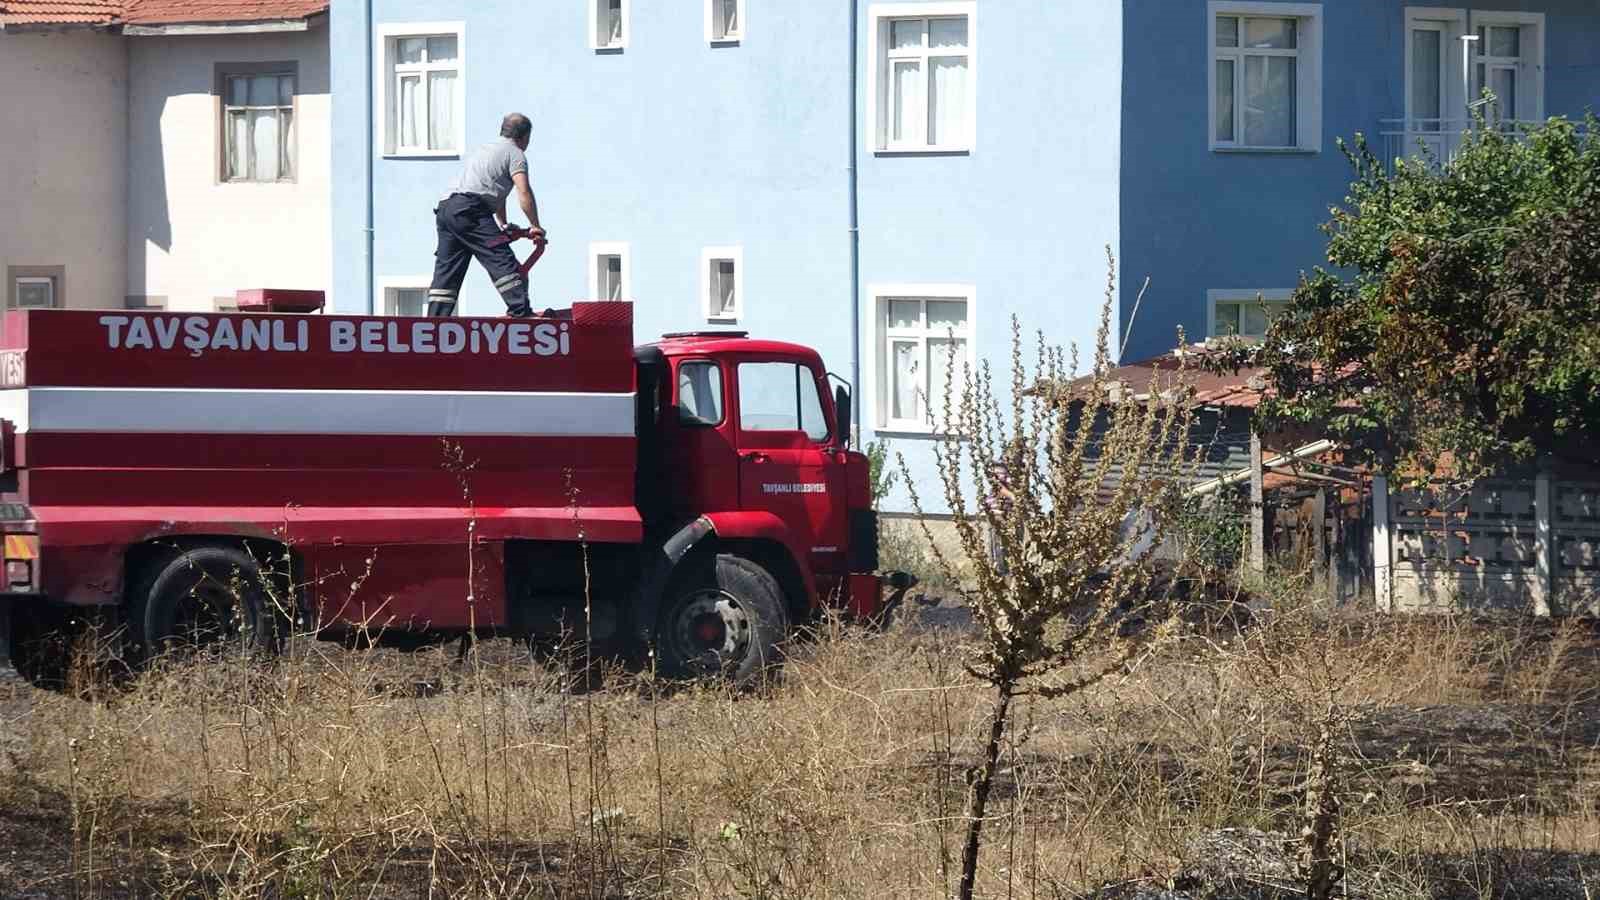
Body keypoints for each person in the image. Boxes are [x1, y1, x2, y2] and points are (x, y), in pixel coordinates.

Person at [427, 113, 547, 318]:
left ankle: (434, 323)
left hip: (447, 209)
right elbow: (523, 191)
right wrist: (535, 225)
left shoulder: (486, 150)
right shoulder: (515, 153)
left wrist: (503, 224)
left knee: (448, 269)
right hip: (471, 210)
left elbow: (495, 193)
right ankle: (521, 312)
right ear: (525, 136)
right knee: (501, 258)